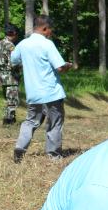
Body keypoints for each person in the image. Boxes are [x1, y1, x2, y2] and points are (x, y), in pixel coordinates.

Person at [12, 15, 74, 163]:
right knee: (54, 123)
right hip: (51, 92)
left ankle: (20, 147)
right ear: (45, 28)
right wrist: (68, 65)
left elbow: (14, 60)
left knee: (31, 121)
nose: (50, 33)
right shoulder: (47, 45)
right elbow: (59, 67)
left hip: (33, 93)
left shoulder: (23, 44)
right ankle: (53, 155)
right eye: (50, 30)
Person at [0, 24, 21, 125]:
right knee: (12, 101)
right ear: (13, 33)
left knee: (8, 100)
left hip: (2, 77)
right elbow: (14, 62)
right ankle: (9, 121)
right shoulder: (10, 46)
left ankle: (7, 119)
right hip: (11, 78)